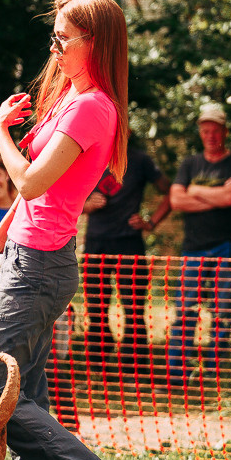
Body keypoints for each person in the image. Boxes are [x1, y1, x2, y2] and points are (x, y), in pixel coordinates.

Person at [0, 0, 141, 460]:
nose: (55, 46)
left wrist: (1, 132)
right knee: (29, 395)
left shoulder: (94, 107)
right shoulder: (73, 97)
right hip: (28, 254)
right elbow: (34, 200)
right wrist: (1, 236)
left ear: (95, 42)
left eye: (64, 37)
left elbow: (30, 182)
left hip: (42, 267)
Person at [0, 148, 78, 431]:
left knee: (48, 363)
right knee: (0, 370)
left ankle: (66, 428)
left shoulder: (32, 201)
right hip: (2, 298)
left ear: (7, 173)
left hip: (43, 287)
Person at [165, 103, 231, 384]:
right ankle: (178, 371)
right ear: (200, 133)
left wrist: (196, 191)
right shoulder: (190, 163)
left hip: (227, 246)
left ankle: (213, 371)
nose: (211, 136)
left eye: (215, 130)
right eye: (205, 131)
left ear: (225, 132)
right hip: (193, 248)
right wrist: (215, 195)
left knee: (222, 310)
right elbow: (176, 200)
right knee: (186, 309)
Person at [81, 133, 172, 375]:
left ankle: (137, 371)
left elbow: (170, 192)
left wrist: (150, 222)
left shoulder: (140, 160)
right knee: (96, 309)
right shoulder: (88, 158)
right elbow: (64, 198)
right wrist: (86, 204)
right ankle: (98, 371)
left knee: (133, 310)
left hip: (129, 245)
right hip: (96, 245)